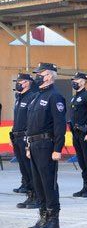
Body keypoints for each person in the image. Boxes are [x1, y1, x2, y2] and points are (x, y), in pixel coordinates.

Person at [25, 62, 66, 228]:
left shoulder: (54, 96)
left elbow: (59, 125)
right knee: (38, 183)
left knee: (48, 183)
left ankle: (53, 220)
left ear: (49, 76)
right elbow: (31, 124)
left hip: (46, 145)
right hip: (34, 145)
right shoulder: (36, 96)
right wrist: (28, 145)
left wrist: (58, 148)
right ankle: (43, 216)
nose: (37, 76)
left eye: (40, 73)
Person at [69, 72, 87, 198]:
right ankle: (85, 186)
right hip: (76, 133)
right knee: (81, 160)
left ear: (83, 81)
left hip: (85, 133)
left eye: (76, 79)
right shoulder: (74, 97)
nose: (74, 81)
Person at [12, 73, 38, 209]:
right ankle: (29, 194)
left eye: (20, 81)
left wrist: (28, 139)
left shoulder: (31, 97)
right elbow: (18, 118)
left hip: (25, 137)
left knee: (30, 168)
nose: (18, 83)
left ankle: (36, 195)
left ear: (27, 82)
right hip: (16, 136)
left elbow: (31, 120)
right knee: (24, 168)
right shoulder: (19, 97)